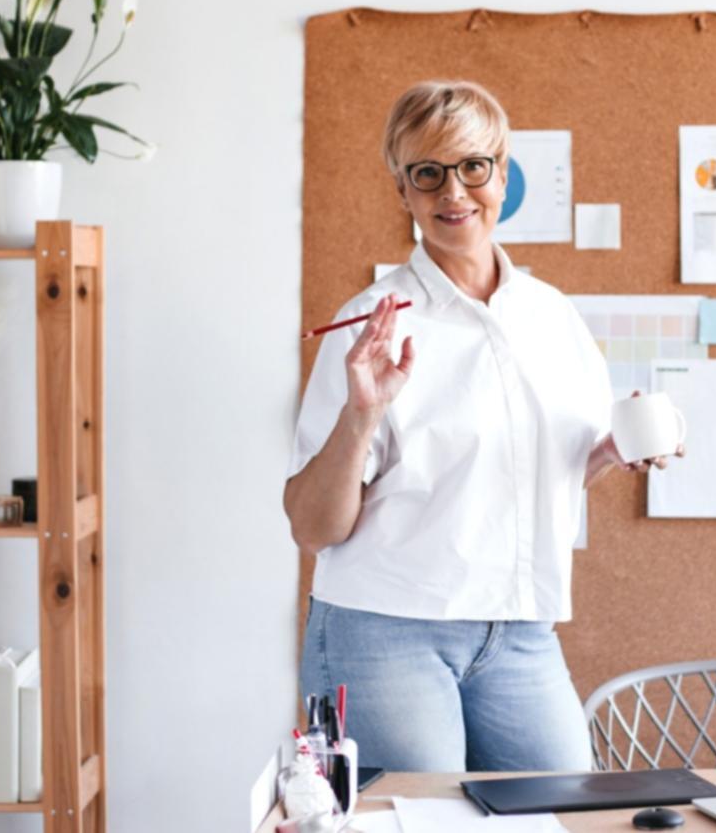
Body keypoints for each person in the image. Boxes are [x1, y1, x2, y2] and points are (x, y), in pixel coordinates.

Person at [284, 80, 680, 772]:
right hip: (386, 632)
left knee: (562, 810)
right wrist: (361, 414)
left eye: (472, 167)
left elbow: (543, 474)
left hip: (520, 631)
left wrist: (614, 452)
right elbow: (313, 528)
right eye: (427, 173)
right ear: (402, 192)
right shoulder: (374, 325)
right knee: (420, 822)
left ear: (502, 174)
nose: (453, 192)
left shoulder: (551, 316)